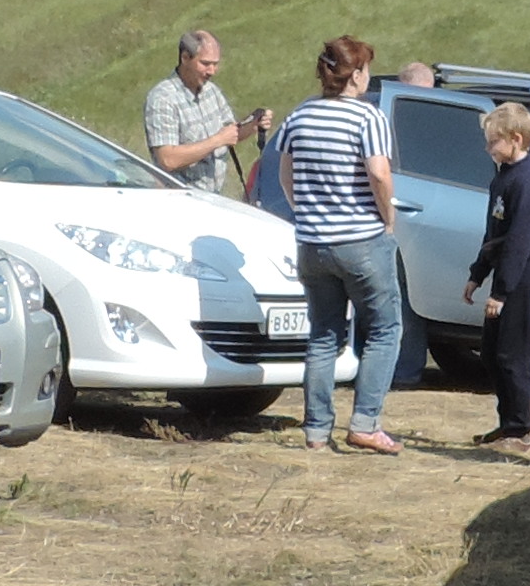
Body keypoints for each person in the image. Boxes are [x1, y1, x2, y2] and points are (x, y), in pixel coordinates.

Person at [271, 35, 406, 454]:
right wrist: (388, 218)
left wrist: (305, 211)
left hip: (312, 244)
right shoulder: (368, 117)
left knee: (323, 335)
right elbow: (379, 173)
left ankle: (316, 430)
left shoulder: (300, 114)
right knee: (384, 328)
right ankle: (365, 422)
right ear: (356, 74)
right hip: (361, 239)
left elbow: (285, 173)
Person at [466, 99, 530, 451]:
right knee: (492, 352)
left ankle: (520, 429)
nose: (488, 149)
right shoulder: (502, 178)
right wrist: (478, 273)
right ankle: (507, 423)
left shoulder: (526, 183)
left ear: (516, 139)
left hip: (526, 275)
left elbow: (518, 240)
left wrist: (500, 292)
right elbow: (494, 236)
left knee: (514, 354)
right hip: (508, 271)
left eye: (494, 142)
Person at [143, 29, 262, 194]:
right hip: (180, 198)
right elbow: (168, 159)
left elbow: (230, 134)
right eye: (205, 64)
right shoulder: (163, 99)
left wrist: (254, 124)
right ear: (185, 58)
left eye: (215, 64)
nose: (212, 71)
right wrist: (217, 140)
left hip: (213, 197)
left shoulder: (211, 91)